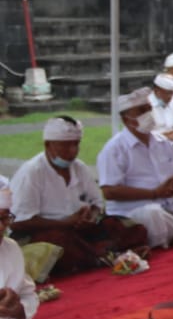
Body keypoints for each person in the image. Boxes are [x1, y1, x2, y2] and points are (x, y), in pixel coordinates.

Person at [9, 117, 147, 274]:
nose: (73, 151)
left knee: (130, 227)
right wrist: (65, 223)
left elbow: (97, 204)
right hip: (47, 233)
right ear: (48, 145)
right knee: (60, 243)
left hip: (79, 230)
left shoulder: (80, 168)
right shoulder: (32, 173)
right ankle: (104, 255)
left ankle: (100, 255)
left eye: (76, 144)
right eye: (66, 145)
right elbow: (18, 222)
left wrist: (91, 218)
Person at [98, 89, 173, 250]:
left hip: (171, 204)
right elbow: (109, 192)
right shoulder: (114, 150)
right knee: (153, 214)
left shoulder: (162, 142)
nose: (149, 114)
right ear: (126, 119)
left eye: (149, 108)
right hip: (135, 211)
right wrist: (154, 193)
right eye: (142, 111)